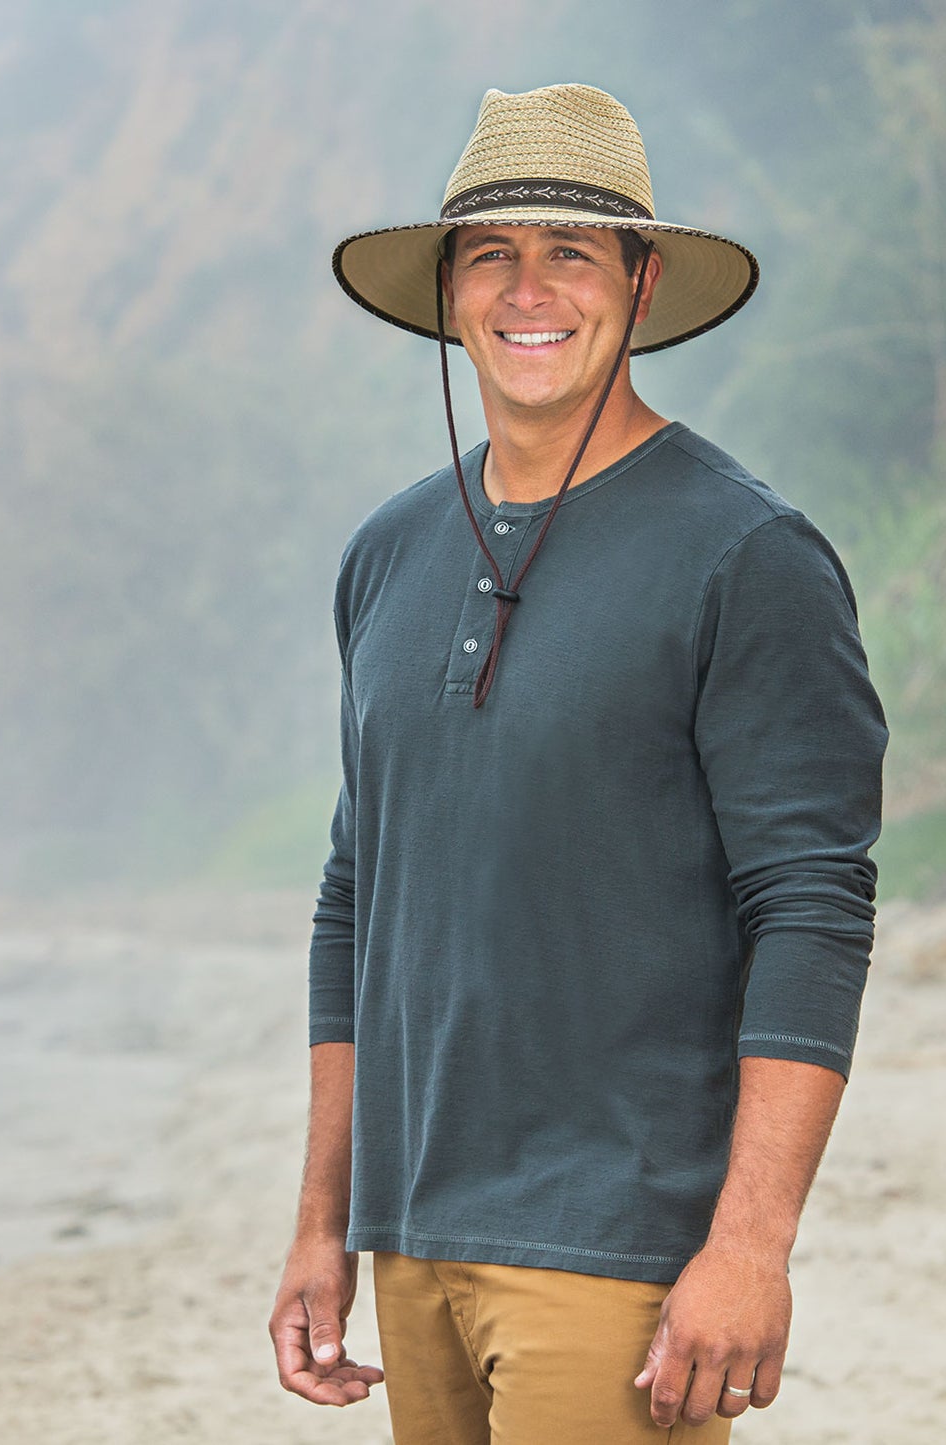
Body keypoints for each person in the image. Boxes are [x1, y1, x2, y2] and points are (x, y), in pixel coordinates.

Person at [269, 83, 888, 1442]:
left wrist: (749, 1249)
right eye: (491, 252)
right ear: (446, 290)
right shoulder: (386, 555)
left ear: (641, 280)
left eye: (571, 251)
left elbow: (809, 906)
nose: (526, 288)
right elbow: (351, 900)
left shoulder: (745, 555)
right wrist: (325, 1223)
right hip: (410, 1238)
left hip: (616, 1246)